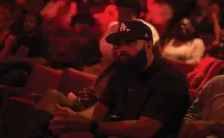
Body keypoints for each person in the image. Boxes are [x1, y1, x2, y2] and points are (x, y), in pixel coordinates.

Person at [48, 20, 189, 137]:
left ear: (148, 46)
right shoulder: (121, 73)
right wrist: (74, 119)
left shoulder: (168, 79)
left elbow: (145, 129)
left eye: (129, 42)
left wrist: (91, 126)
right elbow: (99, 113)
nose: (121, 49)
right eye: (118, 44)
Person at [100, 0, 160, 68]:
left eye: (124, 14)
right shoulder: (113, 26)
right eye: (119, 12)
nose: (120, 18)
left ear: (134, 13)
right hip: (105, 70)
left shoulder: (146, 29)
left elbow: (152, 61)